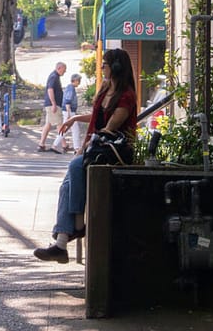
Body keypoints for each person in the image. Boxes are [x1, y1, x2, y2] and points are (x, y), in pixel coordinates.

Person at [34, 48, 138, 262]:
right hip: (97, 149)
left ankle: (78, 225)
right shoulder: (105, 88)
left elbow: (109, 128)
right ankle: (62, 243)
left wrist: (86, 145)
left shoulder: (126, 95)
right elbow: (97, 118)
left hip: (113, 151)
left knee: (74, 167)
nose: (102, 68)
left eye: (105, 64)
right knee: (67, 183)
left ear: (116, 67)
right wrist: (75, 119)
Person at [37, 61, 68, 151]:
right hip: (53, 105)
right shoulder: (54, 77)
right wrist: (54, 103)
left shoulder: (55, 76)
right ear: (59, 68)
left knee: (48, 124)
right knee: (59, 124)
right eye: (64, 70)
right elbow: (50, 90)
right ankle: (64, 145)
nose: (65, 72)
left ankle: (41, 144)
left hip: (51, 104)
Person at [64, 74, 85, 152]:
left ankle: (55, 145)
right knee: (74, 130)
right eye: (79, 81)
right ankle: (77, 148)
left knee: (68, 129)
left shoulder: (70, 88)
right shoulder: (71, 88)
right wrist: (69, 113)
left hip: (69, 111)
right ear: (75, 80)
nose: (79, 83)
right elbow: (68, 101)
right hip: (69, 111)